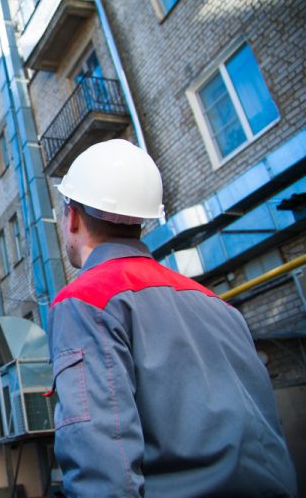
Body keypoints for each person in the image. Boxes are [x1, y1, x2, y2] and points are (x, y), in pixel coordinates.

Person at [47, 139, 297, 497]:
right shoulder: (218, 305)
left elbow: (101, 464)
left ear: (72, 217)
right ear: (141, 221)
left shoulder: (84, 301)